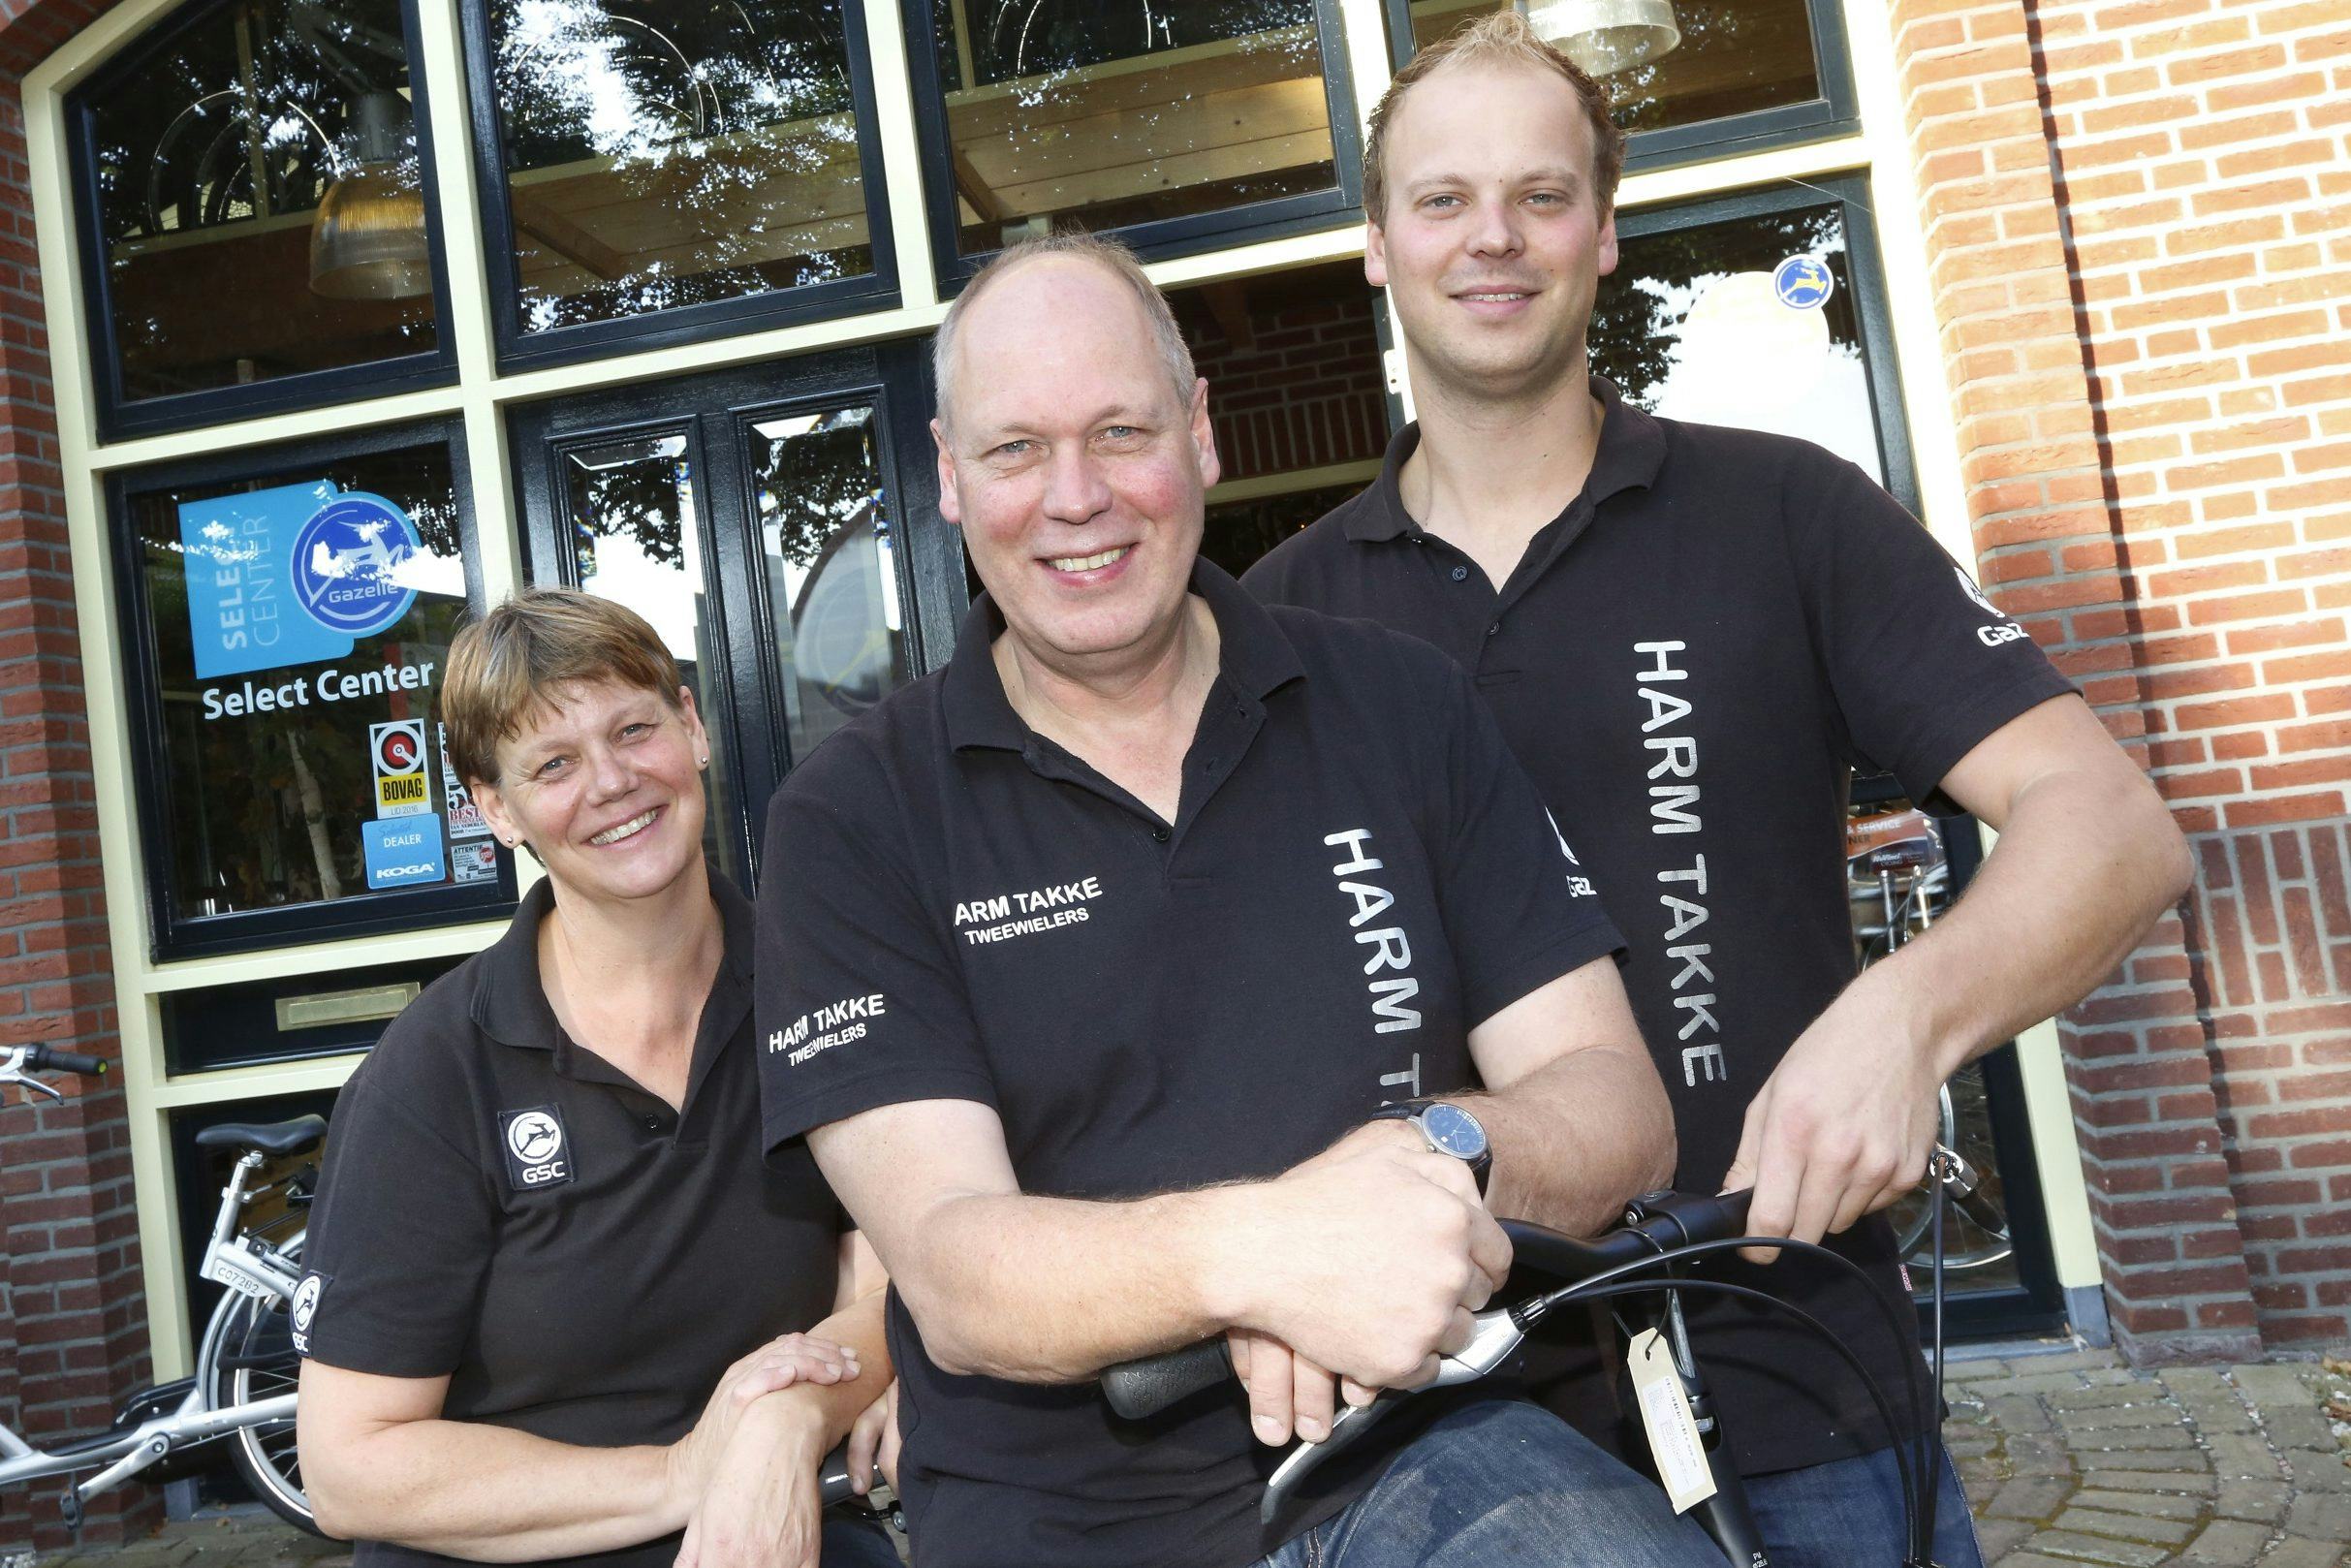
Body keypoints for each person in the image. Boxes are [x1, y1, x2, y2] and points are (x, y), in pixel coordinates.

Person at [1242, 14, 2195, 1568]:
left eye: (1542, 196)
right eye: (1441, 199)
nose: (1494, 237)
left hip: (1797, 1371)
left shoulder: (1785, 513)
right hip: (1448, 1444)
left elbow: (2111, 827)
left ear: (1606, 232)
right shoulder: (1274, 624)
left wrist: (1906, 1018)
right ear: (1375, 243)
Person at [754, 232, 1721, 1568]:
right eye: (1016, 449)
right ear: (948, 478)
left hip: (1449, 1454)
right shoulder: (850, 817)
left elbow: (1617, 1107)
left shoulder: (1399, 704)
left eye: (1118, 430)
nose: (1076, 496)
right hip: (1066, 1526)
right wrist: (1265, 1255)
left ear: (1201, 435)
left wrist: (1421, 1164)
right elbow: (958, 1268)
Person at [294, 589, 900, 1568]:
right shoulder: (435, 1073)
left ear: (693, 728)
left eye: (634, 728)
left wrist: (790, 1416)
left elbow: (895, 1273)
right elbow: (348, 1465)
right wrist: (686, 1473)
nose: (613, 780)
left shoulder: (823, 988)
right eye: (553, 764)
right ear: (497, 808)